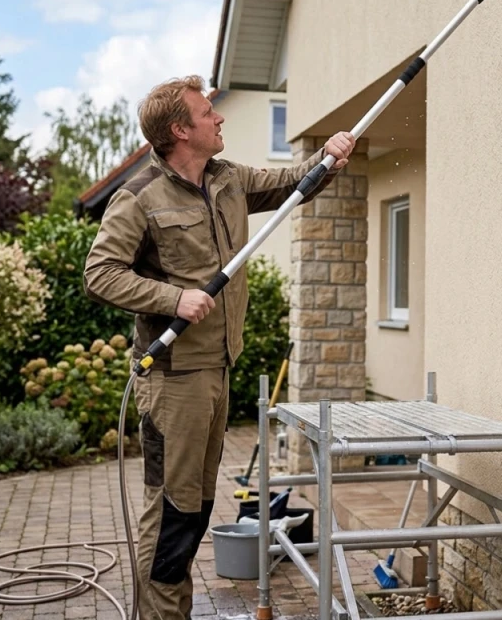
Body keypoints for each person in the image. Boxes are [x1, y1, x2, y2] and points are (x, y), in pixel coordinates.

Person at [83, 74, 355, 620]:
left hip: (216, 371)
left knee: (199, 510)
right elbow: (100, 273)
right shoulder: (138, 197)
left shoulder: (228, 179)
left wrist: (329, 157)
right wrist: (173, 298)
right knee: (171, 517)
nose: (220, 117)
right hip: (174, 380)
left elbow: (293, 182)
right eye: (208, 112)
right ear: (181, 130)